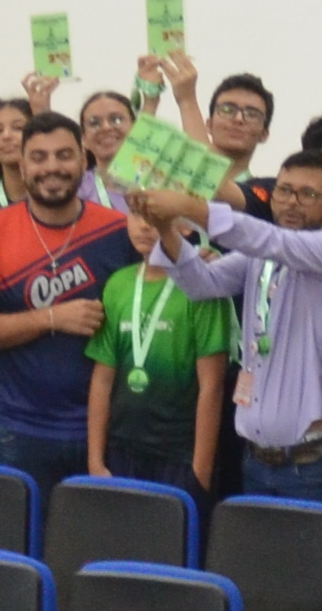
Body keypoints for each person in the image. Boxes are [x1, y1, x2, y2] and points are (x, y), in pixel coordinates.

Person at [163, 154, 322, 508]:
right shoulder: (260, 258)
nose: (291, 202)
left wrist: (191, 207)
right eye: (284, 191)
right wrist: (165, 228)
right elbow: (201, 283)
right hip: (256, 460)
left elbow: (268, 239)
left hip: (313, 466)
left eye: (307, 194)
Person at [0, 110, 128, 493]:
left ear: (83, 159)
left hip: (109, 430)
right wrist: (51, 318)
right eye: (39, 157)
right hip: (21, 430)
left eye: (64, 155)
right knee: (24, 547)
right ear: (22, 165)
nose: (52, 168)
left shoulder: (118, 230)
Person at [82, 200, 233, 498]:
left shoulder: (202, 287)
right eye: (137, 214)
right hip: (122, 448)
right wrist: (96, 460)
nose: (145, 225)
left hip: (180, 455)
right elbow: (102, 378)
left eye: (158, 215)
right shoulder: (118, 284)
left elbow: (212, 385)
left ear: (186, 225)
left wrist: (200, 472)